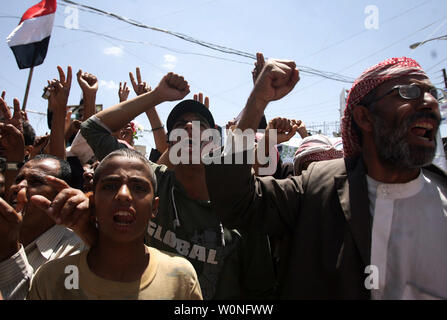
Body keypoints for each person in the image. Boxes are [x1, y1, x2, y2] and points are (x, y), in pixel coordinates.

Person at [204, 57, 447, 299]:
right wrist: (258, 101)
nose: (429, 102)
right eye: (409, 92)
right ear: (364, 118)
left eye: (432, 92)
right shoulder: (317, 187)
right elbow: (235, 201)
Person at [77, 72, 277, 299]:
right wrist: (156, 96)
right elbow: (93, 129)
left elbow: (261, 295)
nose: (189, 128)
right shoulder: (147, 184)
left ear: (214, 142)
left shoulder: (243, 206)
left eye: (201, 125)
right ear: (171, 143)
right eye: (181, 125)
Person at [28, 148, 202, 300]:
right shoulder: (51, 279)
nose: (124, 194)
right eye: (110, 186)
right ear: (92, 202)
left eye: (139, 188)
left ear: (154, 208)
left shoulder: (181, 276)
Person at [0, 154, 84, 300]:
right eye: (18, 179)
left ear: (60, 197)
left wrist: (10, 252)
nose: (19, 187)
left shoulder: (76, 251)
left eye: (35, 182)